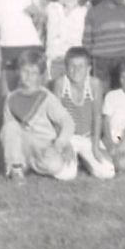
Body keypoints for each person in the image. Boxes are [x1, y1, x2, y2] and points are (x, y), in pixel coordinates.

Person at [0, 50, 78, 181]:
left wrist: (60, 144)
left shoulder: (46, 97)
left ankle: (30, 165)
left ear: (40, 76)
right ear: (18, 71)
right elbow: (7, 132)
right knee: (10, 127)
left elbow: (68, 122)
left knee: (57, 168)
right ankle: (17, 168)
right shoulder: (11, 98)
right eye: (25, 71)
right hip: (26, 144)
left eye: (34, 73)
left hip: (46, 145)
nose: (29, 76)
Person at [51, 46, 116, 180]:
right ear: (66, 68)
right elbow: (55, 117)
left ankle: (84, 160)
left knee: (108, 172)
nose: (76, 70)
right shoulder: (60, 83)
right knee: (66, 175)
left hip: (88, 136)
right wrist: (65, 143)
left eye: (81, 66)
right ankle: (75, 158)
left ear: (89, 68)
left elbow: (98, 116)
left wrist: (96, 146)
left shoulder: (94, 84)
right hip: (68, 136)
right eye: (72, 66)